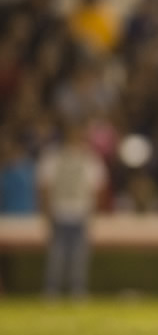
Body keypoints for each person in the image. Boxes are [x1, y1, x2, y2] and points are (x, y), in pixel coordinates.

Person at [36, 122, 106, 298]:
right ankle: (52, 290)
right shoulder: (53, 156)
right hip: (59, 212)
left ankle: (77, 290)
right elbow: (45, 187)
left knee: (79, 257)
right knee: (56, 256)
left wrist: (92, 211)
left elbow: (97, 188)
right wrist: (46, 211)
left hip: (80, 212)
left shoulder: (89, 158)